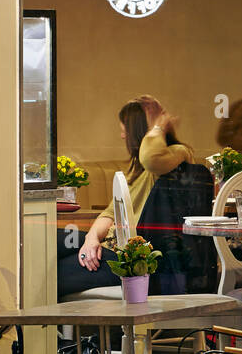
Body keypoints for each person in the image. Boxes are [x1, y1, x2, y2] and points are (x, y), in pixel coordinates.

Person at [57, 99, 195, 297]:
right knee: (45, 242)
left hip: (129, 259)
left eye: (125, 130)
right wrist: (91, 238)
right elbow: (110, 212)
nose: (122, 136)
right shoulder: (136, 170)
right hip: (109, 245)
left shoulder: (178, 155)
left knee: (48, 275)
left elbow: (151, 158)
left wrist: (158, 127)